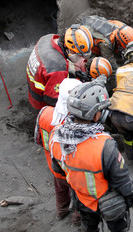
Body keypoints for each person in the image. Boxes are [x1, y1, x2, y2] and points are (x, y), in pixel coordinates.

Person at [49, 81, 133, 232]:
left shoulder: (56, 137)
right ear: (95, 114)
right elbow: (121, 179)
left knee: (89, 228)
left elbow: (58, 169)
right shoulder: (104, 145)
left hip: (82, 200)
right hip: (108, 202)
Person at [34, 78, 82, 221]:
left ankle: (61, 212)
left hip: (55, 168)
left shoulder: (44, 113)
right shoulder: (78, 126)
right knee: (80, 196)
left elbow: (38, 139)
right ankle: (77, 218)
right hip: (75, 172)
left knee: (61, 192)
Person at [26, 25, 93, 109]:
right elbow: (53, 100)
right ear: (67, 45)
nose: (80, 57)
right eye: (77, 54)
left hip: (34, 87)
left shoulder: (48, 38)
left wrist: (72, 71)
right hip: (41, 103)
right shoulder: (58, 68)